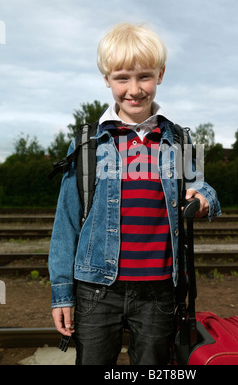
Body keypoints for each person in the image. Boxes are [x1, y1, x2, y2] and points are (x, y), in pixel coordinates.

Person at [49, 22, 221, 365]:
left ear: (161, 74)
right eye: (122, 78)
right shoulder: (88, 143)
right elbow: (65, 223)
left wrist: (203, 199)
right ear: (106, 79)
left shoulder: (179, 139)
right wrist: (61, 295)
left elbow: (202, 186)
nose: (134, 89)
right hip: (96, 289)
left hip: (159, 290)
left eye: (144, 76)